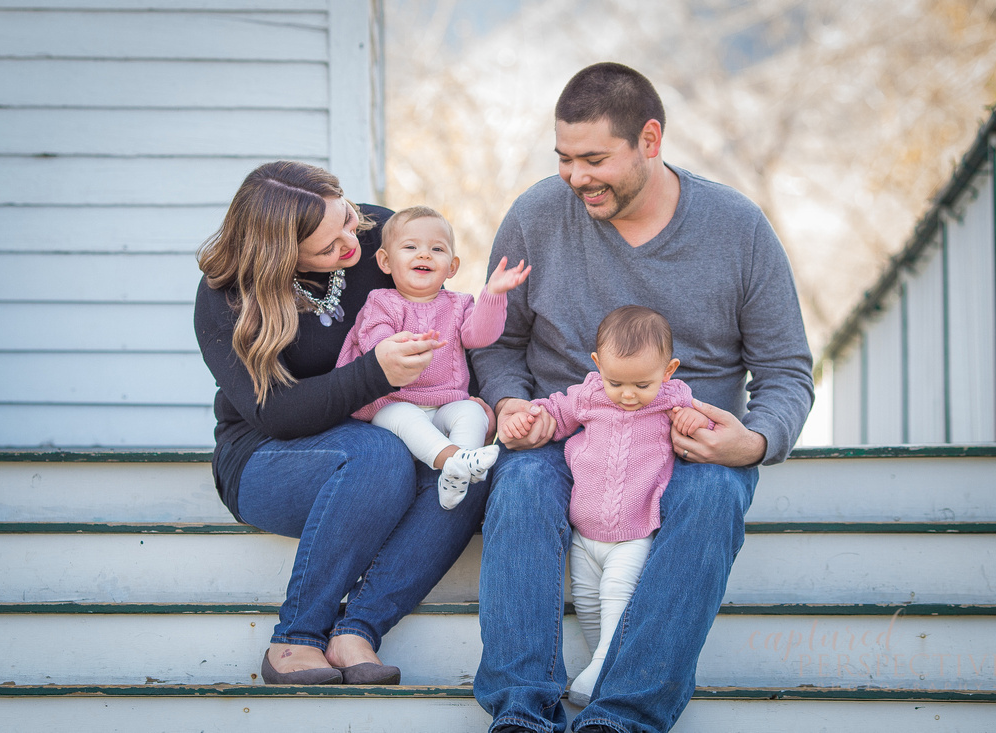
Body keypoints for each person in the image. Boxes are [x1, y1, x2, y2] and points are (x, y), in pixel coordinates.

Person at [470, 63, 814, 732]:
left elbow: (786, 369)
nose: (575, 176)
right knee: (519, 486)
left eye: (594, 158)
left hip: (689, 450)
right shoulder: (537, 215)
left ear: (649, 140)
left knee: (714, 494)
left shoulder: (738, 229)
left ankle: (621, 717)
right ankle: (520, 711)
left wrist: (756, 439)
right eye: (564, 158)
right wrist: (510, 404)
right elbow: (496, 341)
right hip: (561, 437)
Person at [194, 161, 490, 688]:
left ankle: (357, 630)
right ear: (282, 254)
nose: (352, 244)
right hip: (270, 455)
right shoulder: (228, 296)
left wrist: (492, 402)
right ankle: (295, 639)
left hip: (395, 428)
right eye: (330, 245)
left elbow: (450, 319)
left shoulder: (382, 234)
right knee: (378, 453)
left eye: (349, 219)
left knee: (466, 475)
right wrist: (374, 373)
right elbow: (275, 413)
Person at [501, 305, 712, 708]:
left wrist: (693, 423)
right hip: (584, 533)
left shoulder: (673, 400)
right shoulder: (590, 395)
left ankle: (598, 671)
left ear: (668, 371)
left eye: (642, 384)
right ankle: (607, 669)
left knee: (616, 598)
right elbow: (553, 411)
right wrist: (525, 419)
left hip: (634, 532)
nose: (628, 394)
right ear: (598, 366)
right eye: (616, 382)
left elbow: (706, 425)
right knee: (588, 606)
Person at [336, 206, 530, 509]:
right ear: (386, 261)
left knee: (472, 411)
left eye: (436, 249)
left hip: (443, 404)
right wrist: (407, 345)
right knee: (403, 416)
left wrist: (493, 294)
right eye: (411, 247)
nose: (424, 255)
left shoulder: (458, 304)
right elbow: (375, 343)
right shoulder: (382, 302)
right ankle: (453, 458)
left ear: (451, 267)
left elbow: (480, 336)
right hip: (394, 404)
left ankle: (460, 468)